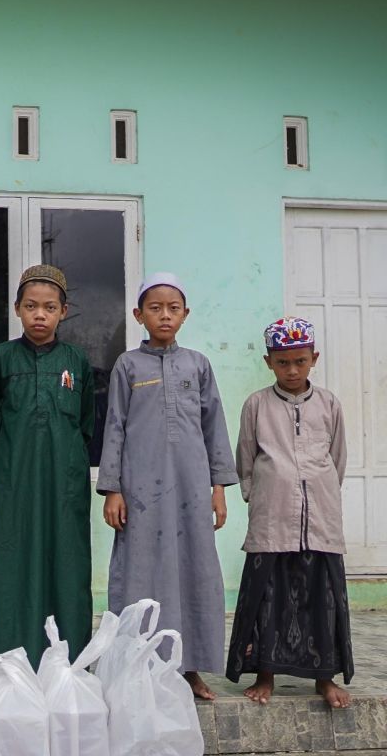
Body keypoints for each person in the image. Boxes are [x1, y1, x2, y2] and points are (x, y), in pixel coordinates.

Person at [96, 272, 238, 699]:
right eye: (154, 308)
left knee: (195, 571)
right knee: (140, 571)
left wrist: (219, 487)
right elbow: (115, 427)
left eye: (173, 308)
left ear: (185, 315)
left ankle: (190, 667)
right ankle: (135, 666)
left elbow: (215, 427)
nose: (164, 315)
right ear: (139, 315)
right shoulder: (127, 365)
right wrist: (113, 489)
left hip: (193, 487)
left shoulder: (197, 364)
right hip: (140, 490)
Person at [226, 316, 353, 708]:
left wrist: (321, 491)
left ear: (313, 358)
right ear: (268, 362)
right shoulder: (256, 405)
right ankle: (265, 675)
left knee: (322, 598)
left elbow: (338, 459)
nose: (292, 370)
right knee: (269, 598)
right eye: (283, 362)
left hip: (321, 519)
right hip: (272, 518)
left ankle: (324, 679)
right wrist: (262, 496)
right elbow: (245, 460)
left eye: (300, 361)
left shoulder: (329, 403)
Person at [0, 264, 94, 666]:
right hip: (15, 486)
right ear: (17, 310)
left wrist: (72, 469)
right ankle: (12, 658)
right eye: (30, 306)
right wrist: (6, 470)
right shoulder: (2, 358)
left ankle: (70, 662)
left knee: (68, 566)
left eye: (48, 307)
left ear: (64, 311)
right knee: (11, 564)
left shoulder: (76, 360)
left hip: (66, 486)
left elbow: (87, 425)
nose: (39, 315)